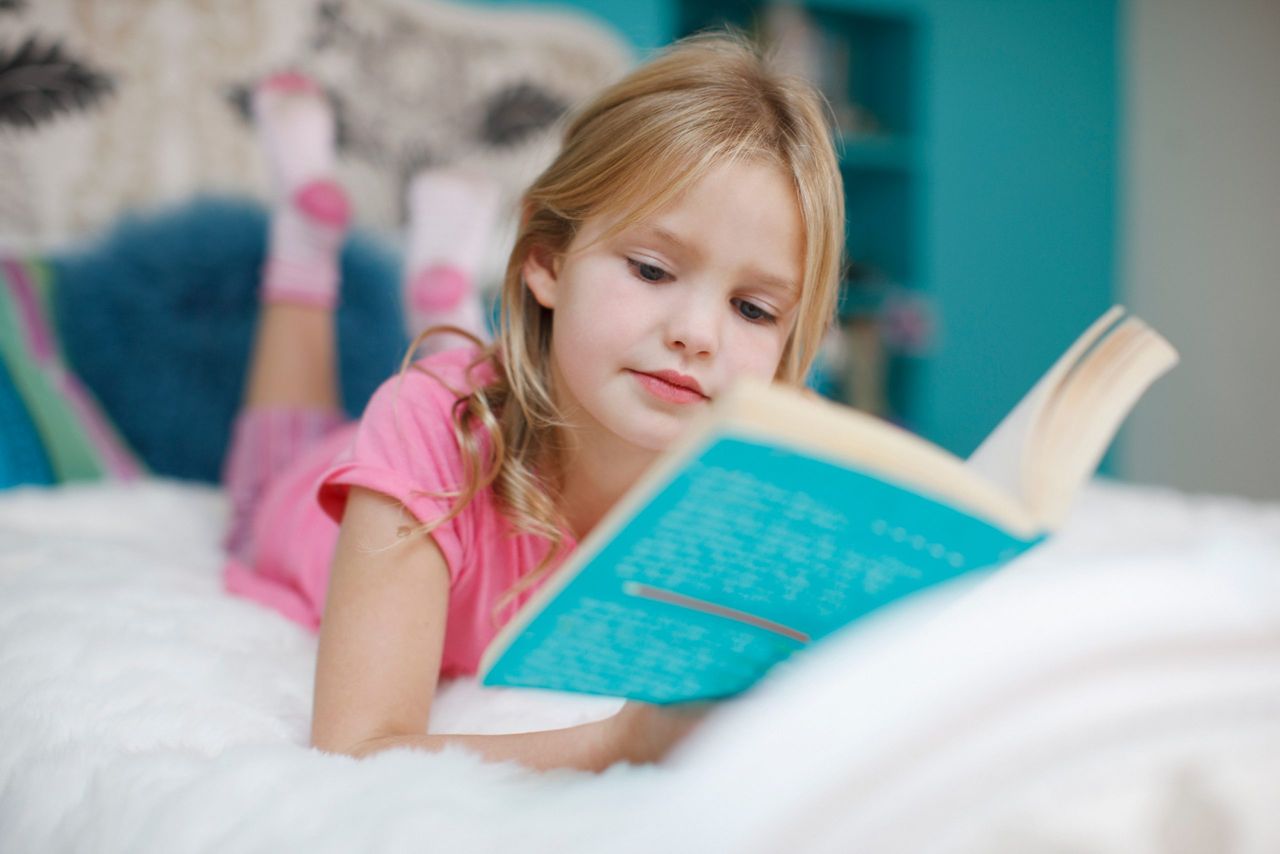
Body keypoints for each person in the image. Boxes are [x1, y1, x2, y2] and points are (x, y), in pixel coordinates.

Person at [221, 32, 845, 774]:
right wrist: (617, 744)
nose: (697, 335)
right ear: (546, 263)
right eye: (651, 269)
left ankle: (448, 296)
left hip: (492, 398)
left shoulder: (756, 488)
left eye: (753, 310)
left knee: (476, 380)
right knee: (271, 466)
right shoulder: (425, 429)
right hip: (357, 472)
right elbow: (357, 746)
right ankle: (305, 241)